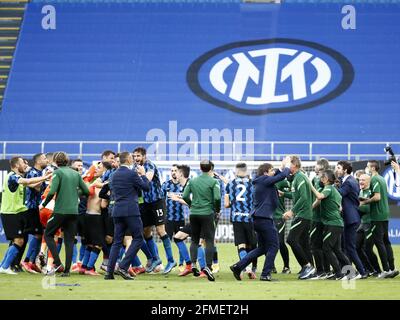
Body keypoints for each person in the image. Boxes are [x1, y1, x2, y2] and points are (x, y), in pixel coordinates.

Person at [230, 157, 291, 282]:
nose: (273, 172)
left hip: (258, 219)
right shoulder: (265, 180)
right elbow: (281, 176)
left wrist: (280, 168)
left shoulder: (261, 181)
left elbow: (277, 176)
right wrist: (287, 166)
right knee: (274, 246)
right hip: (264, 219)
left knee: (262, 248)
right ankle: (265, 274)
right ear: (265, 172)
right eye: (271, 170)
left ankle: (238, 266)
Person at [40, 152, 90, 276]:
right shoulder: (75, 173)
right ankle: (67, 271)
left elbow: (52, 192)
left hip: (60, 211)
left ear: (56, 161)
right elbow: (86, 191)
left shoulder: (57, 172)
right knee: (69, 241)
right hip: (73, 212)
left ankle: (57, 263)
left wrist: (44, 204)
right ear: (67, 161)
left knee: (48, 234)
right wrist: (75, 194)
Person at [0, 157, 51, 275]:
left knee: (17, 240)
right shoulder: (13, 176)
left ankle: (3, 265)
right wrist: (45, 177)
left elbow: (32, 185)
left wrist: (44, 179)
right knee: (19, 240)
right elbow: (27, 182)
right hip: (10, 213)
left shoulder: (18, 178)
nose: (26, 164)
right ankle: (6, 266)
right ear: (17, 165)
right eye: (23, 163)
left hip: (15, 212)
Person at [104, 151, 150, 280]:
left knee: (117, 242)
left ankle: (109, 273)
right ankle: (123, 267)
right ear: (129, 159)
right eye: (132, 157)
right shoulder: (132, 174)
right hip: (131, 210)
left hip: (117, 210)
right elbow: (146, 187)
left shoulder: (113, 175)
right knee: (138, 238)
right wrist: (144, 175)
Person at [133, 147, 175, 274]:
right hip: (145, 203)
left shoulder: (149, 165)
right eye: (134, 156)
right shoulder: (134, 168)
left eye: (138, 156)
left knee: (160, 229)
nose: (136, 158)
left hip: (157, 201)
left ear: (144, 156)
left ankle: (171, 260)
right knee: (145, 232)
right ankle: (155, 259)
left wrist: (141, 173)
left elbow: (148, 179)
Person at [182, 160, 221, 281]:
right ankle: (208, 267)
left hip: (194, 214)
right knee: (209, 241)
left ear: (200, 168)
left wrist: (191, 205)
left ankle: (193, 264)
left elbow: (184, 196)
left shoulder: (192, 181)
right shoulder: (214, 181)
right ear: (210, 169)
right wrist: (217, 209)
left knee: (194, 240)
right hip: (207, 213)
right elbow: (217, 197)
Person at [311, 170, 351, 280]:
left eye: (322, 176)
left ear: (327, 179)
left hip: (333, 224)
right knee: (337, 249)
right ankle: (350, 273)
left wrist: (310, 186)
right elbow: (339, 204)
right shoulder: (333, 189)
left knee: (326, 248)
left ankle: (339, 273)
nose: (320, 177)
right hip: (336, 223)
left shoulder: (328, 188)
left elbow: (319, 197)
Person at [361, 160, 398, 278]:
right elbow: (385, 192)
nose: (366, 168)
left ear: (372, 168)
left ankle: (386, 270)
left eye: (367, 167)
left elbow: (377, 197)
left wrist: (366, 201)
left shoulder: (375, 179)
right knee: (386, 242)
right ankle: (392, 268)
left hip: (377, 215)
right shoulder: (382, 179)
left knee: (379, 242)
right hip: (384, 214)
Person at [283, 156, 315, 280]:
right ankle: (310, 267)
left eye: (288, 164)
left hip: (303, 214)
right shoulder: (297, 177)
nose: (286, 167)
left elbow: (304, 198)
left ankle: (307, 265)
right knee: (304, 243)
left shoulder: (300, 177)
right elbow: (296, 195)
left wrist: (292, 211)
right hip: (304, 214)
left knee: (291, 239)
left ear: (294, 165)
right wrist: (284, 194)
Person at [336, 161, 368, 278]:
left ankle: (361, 272)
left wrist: (329, 186)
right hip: (351, 217)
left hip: (350, 218)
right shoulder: (349, 181)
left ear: (345, 170)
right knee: (346, 247)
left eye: (339, 168)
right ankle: (350, 272)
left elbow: (339, 194)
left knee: (349, 247)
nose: (337, 170)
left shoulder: (349, 182)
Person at [224, 162, 257, 279]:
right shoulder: (253, 184)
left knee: (241, 245)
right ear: (246, 171)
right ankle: (251, 268)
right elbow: (255, 202)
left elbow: (226, 204)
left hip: (237, 218)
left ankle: (245, 268)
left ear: (236, 171)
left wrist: (235, 203)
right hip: (249, 218)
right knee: (251, 245)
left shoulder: (230, 184)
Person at [21, 153, 49, 274]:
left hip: (39, 208)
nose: (47, 160)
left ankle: (32, 262)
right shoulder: (33, 173)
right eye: (44, 158)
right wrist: (46, 180)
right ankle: (27, 261)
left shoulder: (40, 173)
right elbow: (35, 187)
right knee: (37, 235)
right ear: (38, 161)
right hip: (32, 208)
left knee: (40, 235)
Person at [306, 158, 331, 280]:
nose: (314, 168)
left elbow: (319, 198)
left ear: (321, 167)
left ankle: (321, 271)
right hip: (324, 218)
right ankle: (326, 270)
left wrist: (310, 208)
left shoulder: (319, 180)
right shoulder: (326, 180)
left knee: (315, 245)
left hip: (317, 217)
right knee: (321, 245)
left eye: (316, 166)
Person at [162, 164, 186, 270]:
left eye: (175, 170)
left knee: (181, 241)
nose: (173, 172)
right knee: (167, 241)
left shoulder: (184, 185)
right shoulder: (166, 185)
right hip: (169, 218)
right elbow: (161, 200)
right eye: (172, 170)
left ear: (179, 172)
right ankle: (170, 261)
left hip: (180, 218)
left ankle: (181, 263)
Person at [357, 174, 381, 276]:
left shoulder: (371, 193)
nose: (361, 182)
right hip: (362, 223)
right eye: (360, 180)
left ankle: (377, 270)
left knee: (368, 248)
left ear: (369, 182)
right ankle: (368, 269)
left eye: (363, 180)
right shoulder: (360, 192)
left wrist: (356, 206)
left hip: (370, 223)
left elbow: (367, 208)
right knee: (356, 247)